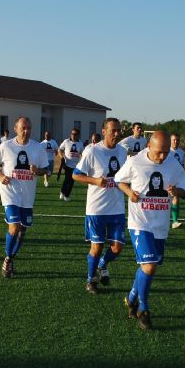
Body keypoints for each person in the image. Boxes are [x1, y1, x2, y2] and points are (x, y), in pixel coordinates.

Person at [114, 131, 185, 330]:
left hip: (160, 225)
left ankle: (131, 298)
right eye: (159, 152)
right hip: (140, 223)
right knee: (149, 266)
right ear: (149, 145)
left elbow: (184, 187)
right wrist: (130, 192)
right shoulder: (135, 161)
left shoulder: (173, 163)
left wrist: (177, 192)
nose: (163, 156)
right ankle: (144, 310)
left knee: (149, 267)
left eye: (166, 152)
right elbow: (118, 179)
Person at [73, 118, 128, 294]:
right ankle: (91, 279)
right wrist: (95, 180)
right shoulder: (92, 151)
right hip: (97, 209)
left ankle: (103, 264)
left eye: (119, 130)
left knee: (117, 247)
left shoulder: (123, 152)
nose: (117, 134)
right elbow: (76, 175)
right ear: (104, 132)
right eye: (113, 131)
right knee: (96, 248)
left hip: (117, 208)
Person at [0, 116, 48, 278]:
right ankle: (8, 259)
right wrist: (1, 176)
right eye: (23, 127)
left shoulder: (37, 148)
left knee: (23, 230)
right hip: (10, 193)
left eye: (29, 128)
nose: (26, 130)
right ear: (15, 129)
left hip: (27, 196)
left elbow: (46, 169)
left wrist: (38, 171)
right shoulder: (6, 146)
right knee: (14, 226)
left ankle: (11, 255)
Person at [57, 128, 84, 202]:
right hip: (67, 164)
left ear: (78, 135)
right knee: (67, 179)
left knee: (71, 180)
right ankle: (64, 193)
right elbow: (60, 149)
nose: (73, 135)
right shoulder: (66, 141)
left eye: (75, 134)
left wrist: (81, 160)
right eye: (72, 133)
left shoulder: (80, 143)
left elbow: (83, 154)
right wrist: (61, 156)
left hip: (76, 165)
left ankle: (65, 194)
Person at [170, 132, 185, 229]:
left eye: (177, 140)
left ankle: (175, 221)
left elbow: (183, 166)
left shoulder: (181, 152)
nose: (176, 142)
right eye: (174, 140)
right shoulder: (166, 151)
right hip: (167, 178)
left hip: (177, 179)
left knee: (176, 198)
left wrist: (184, 177)